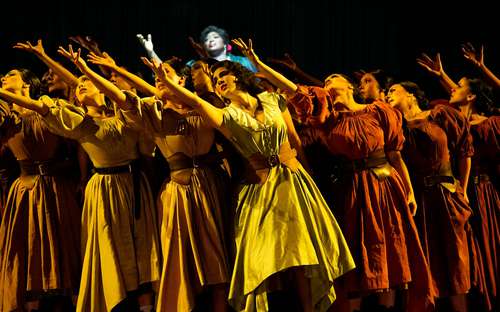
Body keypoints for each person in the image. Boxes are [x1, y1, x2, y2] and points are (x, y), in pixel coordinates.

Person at [142, 40, 355, 311]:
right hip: (258, 186)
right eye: (215, 79)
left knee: (303, 253)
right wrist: (167, 82)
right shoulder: (225, 114)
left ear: (238, 76)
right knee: (259, 260)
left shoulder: (271, 99)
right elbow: (193, 99)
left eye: (223, 76)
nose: (219, 81)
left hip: (293, 180)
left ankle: (308, 306)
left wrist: (257, 62)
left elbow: (293, 136)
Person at [233, 39, 436, 311]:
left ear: (350, 86)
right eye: (324, 80)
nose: (327, 82)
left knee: (389, 252)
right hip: (352, 190)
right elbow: (294, 90)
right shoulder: (328, 118)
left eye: (333, 78)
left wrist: (409, 191)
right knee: (358, 255)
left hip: (385, 187)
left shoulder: (379, 112)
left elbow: (395, 155)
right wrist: (257, 64)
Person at [1, 45, 162, 312]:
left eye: (88, 84)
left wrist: (86, 70)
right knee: (109, 249)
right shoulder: (81, 123)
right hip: (103, 189)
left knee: (141, 249)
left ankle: (146, 306)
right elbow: (40, 109)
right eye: (80, 86)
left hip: (134, 188)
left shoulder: (124, 115)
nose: (82, 86)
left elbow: (122, 99)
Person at [87, 50, 232, 312]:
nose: (159, 80)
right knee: (179, 262)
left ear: (183, 81)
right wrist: (108, 72)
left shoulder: (205, 105)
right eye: (156, 78)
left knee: (216, 260)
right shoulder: (153, 114)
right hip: (177, 192)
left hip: (210, 187)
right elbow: (122, 97)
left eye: (166, 75)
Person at [387, 81, 474, 312]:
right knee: (424, 261)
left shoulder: (439, 115)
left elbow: (465, 150)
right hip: (420, 201)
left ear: (412, 95)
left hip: (446, 195)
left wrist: (463, 189)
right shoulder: (395, 127)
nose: (388, 94)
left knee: (456, 261)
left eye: (394, 90)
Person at [0, 68, 81, 312]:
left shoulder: (46, 108)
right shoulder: (6, 117)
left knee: (64, 254)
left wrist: (80, 177)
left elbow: (77, 143)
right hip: (24, 192)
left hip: (55, 191)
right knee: (27, 253)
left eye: (10, 74)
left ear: (27, 84)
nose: (3, 77)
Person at [449, 77, 498, 311]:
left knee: (486, 246)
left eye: (458, 87)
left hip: (482, 193)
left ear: (471, 96)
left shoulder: (490, 124)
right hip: (458, 193)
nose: (451, 88)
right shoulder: (453, 122)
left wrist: (482, 69)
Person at [137, 25, 258, 72]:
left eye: (215, 37)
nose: (210, 41)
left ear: (226, 43)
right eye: (206, 39)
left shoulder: (244, 62)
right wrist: (151, 52)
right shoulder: (194, 65)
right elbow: (167, 75)